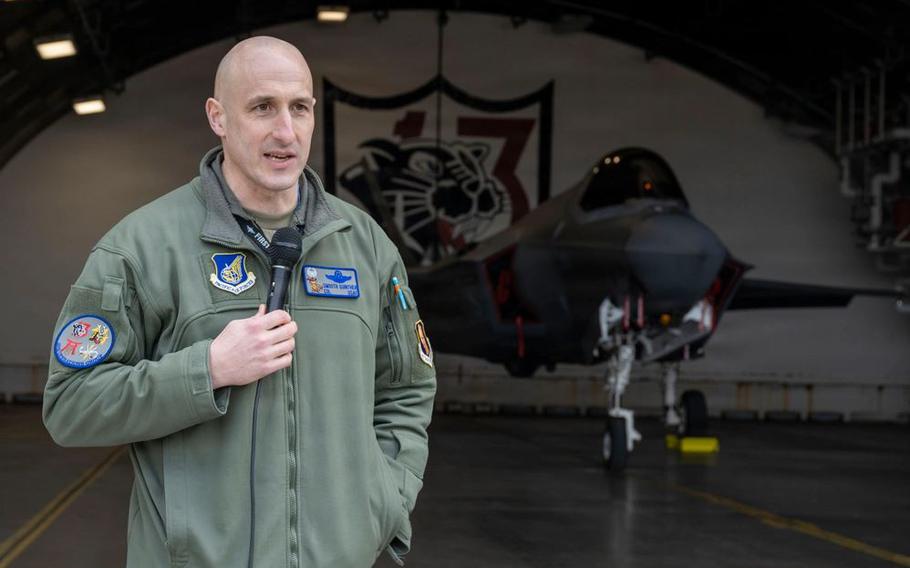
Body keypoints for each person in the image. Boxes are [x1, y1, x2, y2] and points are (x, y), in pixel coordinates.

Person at [43, 36, 436, 568]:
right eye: (261, 108)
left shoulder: (366, 246)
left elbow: (407, 387)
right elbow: (71, 407)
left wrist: (385, 499)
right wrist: (206, 369)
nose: (285, 131)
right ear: (218, 117)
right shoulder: (140, 249)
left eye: (299, 107)